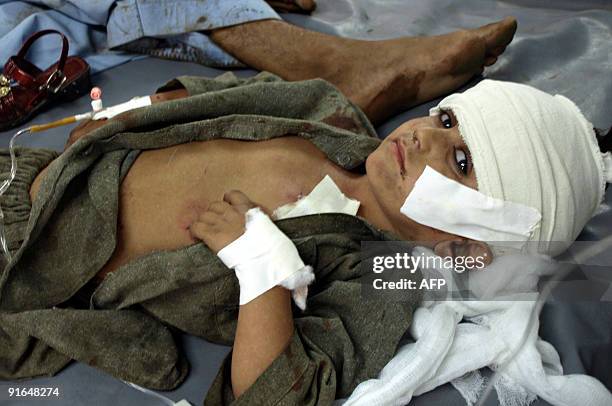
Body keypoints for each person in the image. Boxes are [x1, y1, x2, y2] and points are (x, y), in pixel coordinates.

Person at [1, 16, 610, 405]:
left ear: (464, 248)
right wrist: (135, 112)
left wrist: (263, 269)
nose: (425, 135)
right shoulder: (328, 112)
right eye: (446, 118)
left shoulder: (377, 275)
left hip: (36, 269)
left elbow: (274, 392)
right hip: (36, 176)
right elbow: (227, 97)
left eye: (460, 162)